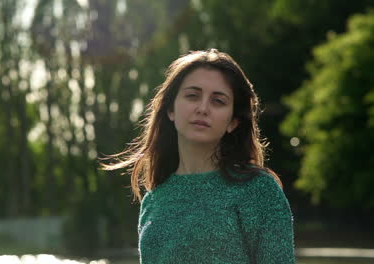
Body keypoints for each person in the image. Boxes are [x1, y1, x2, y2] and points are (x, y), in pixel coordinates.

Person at [102, 49, 295, 263]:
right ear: (171, 110)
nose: (203, 108)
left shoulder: (257, 190)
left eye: (218, 101)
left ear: (233, 121)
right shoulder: (154, 200)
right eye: (192, 96)